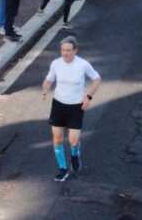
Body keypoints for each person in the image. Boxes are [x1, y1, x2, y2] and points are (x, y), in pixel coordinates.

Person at [41, 36, 101, 183]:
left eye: (68, 50)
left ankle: (75, 154)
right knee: (57, 138)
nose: (65, 53)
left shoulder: (83, 65)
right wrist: (45, 89)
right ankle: (63, 168)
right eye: (63, 50)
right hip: (59, 105)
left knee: (73, 141)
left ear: (75, 50)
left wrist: (88, 97)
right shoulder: (56, 64)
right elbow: (49, 79)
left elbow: (97, 79)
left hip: (76, 106)